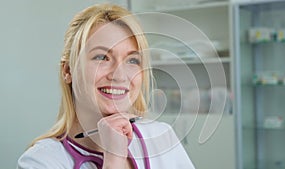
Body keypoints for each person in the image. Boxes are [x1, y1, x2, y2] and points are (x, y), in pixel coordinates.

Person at [17, 3, 195, 169]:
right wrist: (114, 159)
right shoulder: (40, 161)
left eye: (132, 60)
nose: (119, 75)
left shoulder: (162, 137)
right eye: (101, 57)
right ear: (68, 70)